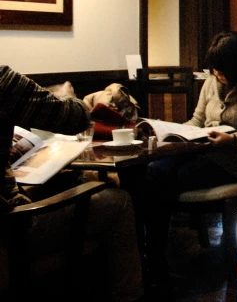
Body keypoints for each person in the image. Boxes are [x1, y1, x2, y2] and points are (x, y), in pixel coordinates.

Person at [0, 65, 144, 301]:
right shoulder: (4, 83)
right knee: (118, 202)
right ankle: (129, 295)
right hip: (9, 232)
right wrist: (65, 95)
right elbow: (75, 118)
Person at [144, 31, 237, 278]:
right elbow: (197, 120)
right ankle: (151, 255)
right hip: (200, 152)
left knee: (164, 180)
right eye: (215, 70)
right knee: (153, 171)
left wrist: (235, 138)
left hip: (234, 162)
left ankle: (154, 258)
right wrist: (173, 133)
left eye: (222, 70)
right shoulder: (210, 81)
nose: (217, 74)